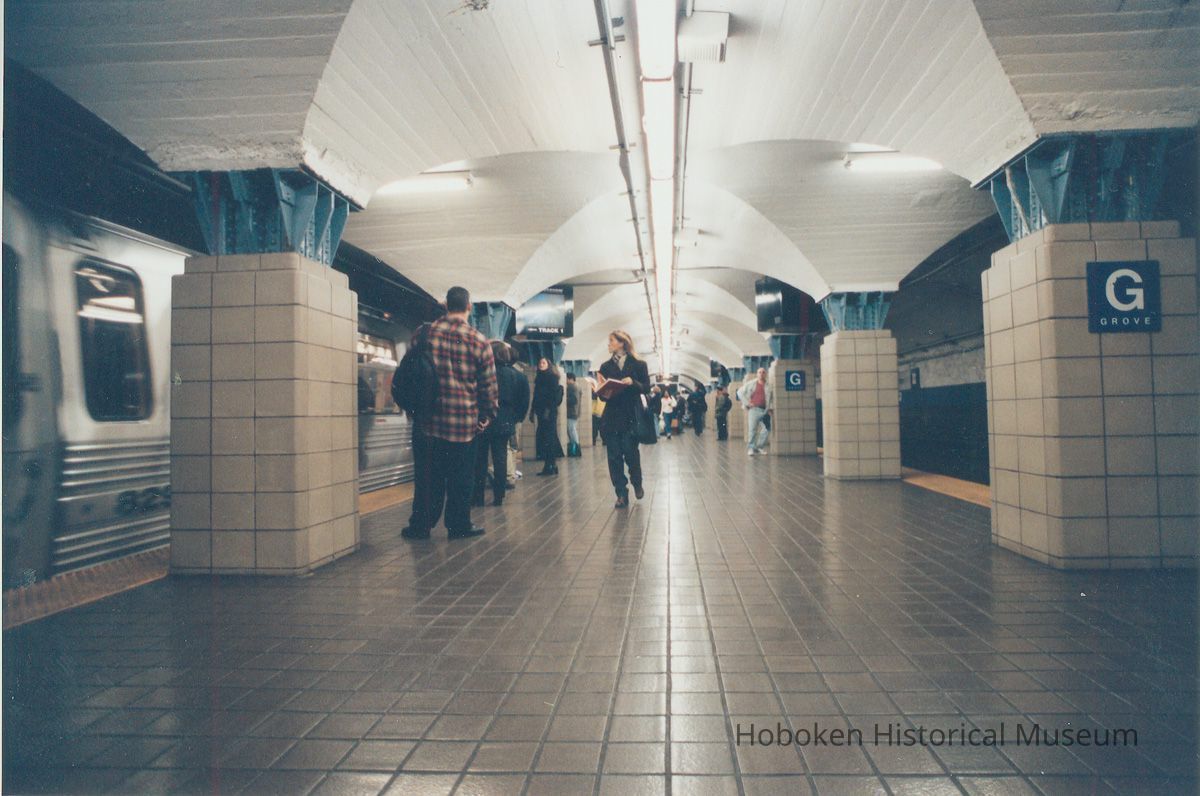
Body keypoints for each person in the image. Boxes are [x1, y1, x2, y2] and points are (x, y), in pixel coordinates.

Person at [403, 287, 497, 541]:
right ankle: (458, 525)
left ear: (446, 305)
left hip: (428, 422)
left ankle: (421, 526)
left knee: (426, 478)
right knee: (460, 479)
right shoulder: (479, 340)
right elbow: (488, 384)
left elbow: (411, 372)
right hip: (464, 424)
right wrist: (486, 415)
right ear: (469, 306)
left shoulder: (423, 334)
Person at [597, 330, 650, 507]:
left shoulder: (639, 365)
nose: (609, 344)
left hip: (630, 416)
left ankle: (637, 481)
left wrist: (632, 382)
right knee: (614, 457)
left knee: (631, 453)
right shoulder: (604, 367)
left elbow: (646, 388)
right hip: (611, 417)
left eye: (611, 340)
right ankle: (621, 493)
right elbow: (604, 397)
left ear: (621, 343)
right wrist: (602, 391)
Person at [474, 341, 529, 506]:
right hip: (505, 420)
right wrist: (515, 418)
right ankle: (499, 496)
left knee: (480, 459)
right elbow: (524, 402)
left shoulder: (483, 373)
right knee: (500, 458)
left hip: (484, 419)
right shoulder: (519, 376)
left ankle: (478, 497)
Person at [530, 358, 564, 476]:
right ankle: (550, 465)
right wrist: (532, 411)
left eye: (543, 363)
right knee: (546, 438)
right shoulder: (539, 378)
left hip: (549, 413)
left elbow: (552, 397)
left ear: (549, 365)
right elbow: (536, 396)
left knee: (548, 439)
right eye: (539, 363)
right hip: (542, 413)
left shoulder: (552, 378)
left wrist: (547, 411)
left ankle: (550, 465)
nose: (541, 364)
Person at [737, 367, 774, 456]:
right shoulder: (751, 384)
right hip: (754, 410)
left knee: (767, 429)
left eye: (763, 372)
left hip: (764, 410)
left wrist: (770, 408)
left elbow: (771, 398)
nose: (761, 374)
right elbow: (739, 392)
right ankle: (751, 448)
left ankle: (759, 447)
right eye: (759, 372)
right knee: (752, 430)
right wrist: (747, 403)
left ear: (765, 374)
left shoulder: (768, 385)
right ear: (757, 374)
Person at [565, 373, 581, 457]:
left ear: (570, 379)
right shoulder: (578, 386)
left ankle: (575, 449)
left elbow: (573, 400)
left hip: (571, 412)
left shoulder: (571, 387)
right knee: (572, 430)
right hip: (575, 412)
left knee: (571, 430)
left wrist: (565, 399)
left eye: (566, 379)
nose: (566, 381)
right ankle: (576, 448)